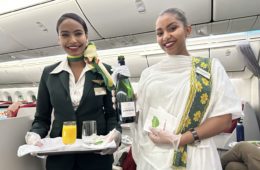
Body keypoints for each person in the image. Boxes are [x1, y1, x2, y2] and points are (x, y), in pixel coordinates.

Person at [131, 8, 242, 170]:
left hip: (196, 156)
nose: (165, 36)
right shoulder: (148, 74)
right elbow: (141, 116)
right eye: (159, 33)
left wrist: (179, 139)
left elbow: (224, 120)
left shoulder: (210, 68)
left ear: (188, 30)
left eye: (172, 28)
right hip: (153, 156)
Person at [25, 13, 121, 170]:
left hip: (97, 158)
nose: (73, 40)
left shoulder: (103, 71)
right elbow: (42, 118)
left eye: (78, 33)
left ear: (86, 36)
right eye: (65, 35)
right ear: (59, 39)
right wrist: (34, 135)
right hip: (60, 160)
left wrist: (115, 134)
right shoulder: (49, 74)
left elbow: (112, 115)